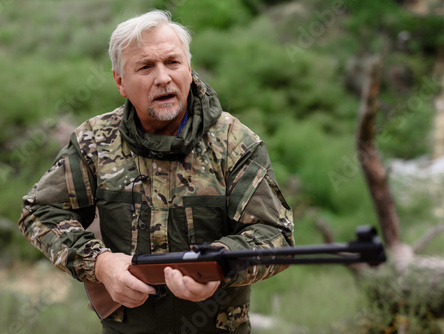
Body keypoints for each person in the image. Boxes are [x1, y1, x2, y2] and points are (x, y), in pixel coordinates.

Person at [18, 9, 294, 334]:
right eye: (146, 66)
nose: (163, 77)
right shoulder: (93, 142)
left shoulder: (236, 143)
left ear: (189, 70)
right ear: (120, 82)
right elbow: (38, 211)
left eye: (173, 63)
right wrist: (101, 264)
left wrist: (220, 263)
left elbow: (277, 235)